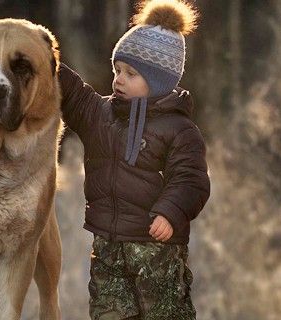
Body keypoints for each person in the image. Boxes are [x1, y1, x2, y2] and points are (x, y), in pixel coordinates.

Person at [58, 0, 209, 318]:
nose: (118, 80)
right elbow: (74, 94)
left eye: (130, 73)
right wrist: (45, 58)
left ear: (157, 82)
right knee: (108, 311)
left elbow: (190, 179)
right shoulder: (101, 113)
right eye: (117, 70)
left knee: (165, 313)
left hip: (156, 249)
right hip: (108, 246)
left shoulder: (179, 129)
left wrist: (170, 213)